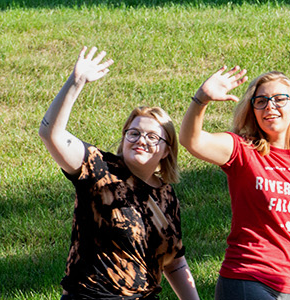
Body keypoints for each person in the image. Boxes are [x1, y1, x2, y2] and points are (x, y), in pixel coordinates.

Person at [37, 46, 198, 300]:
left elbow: (175, 262)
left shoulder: (166, 196)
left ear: (167, 150)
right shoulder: (98, 167)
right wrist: (76, 82)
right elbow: (50, 134)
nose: (141, 140)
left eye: (152, 136)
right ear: (123, 139)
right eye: (133, 133)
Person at [181, 68, 290, 300]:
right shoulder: (242, 150)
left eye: (280, 99)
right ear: (252, 110)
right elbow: (192, 141)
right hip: (247, 277)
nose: (270, 106)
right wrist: (201, 99)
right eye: (261, 101)